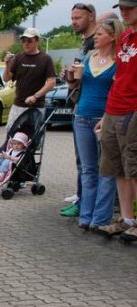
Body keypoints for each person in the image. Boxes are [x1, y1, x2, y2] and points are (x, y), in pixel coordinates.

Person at [71, 19, 122, 230]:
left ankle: (100, 218)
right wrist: (72, 77)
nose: (96, 37)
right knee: (88, 169)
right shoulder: (88, 57)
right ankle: (86, 216)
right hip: (82, 116)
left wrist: (107, 116)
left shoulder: (119, 62)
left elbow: (117, 92)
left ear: (111, 37)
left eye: (100, 34)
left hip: (105, 119)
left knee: (106, 170)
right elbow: (74, 83)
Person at [94, 0, 137, 242]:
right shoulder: (125, 37)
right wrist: (106, 114)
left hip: (134, 109)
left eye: (130, 7)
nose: (124, 12)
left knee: (134, 166)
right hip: (113, 108)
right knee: (116, 166)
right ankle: (126, 219)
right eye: (122, 8)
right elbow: (120, 76)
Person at [62, 3, 98, 213]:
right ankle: (80, 198)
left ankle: (85, 202)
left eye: (78, 18)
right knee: (81, 160)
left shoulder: (97, 41)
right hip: (79, 106)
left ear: (91, 16)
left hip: (91, 109)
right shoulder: (84, 42)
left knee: (89, 162)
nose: (74, 22)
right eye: (73, 18)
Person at [2, 28, 57, 132]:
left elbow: (51, 82)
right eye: (24, 41)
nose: (26, 44)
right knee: (11, 136)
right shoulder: (18, 57)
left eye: (29, 41)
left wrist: (35, 96)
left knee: (32, 140)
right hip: (18, 105)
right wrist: (7, 65)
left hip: (36, 107)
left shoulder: (46, 59)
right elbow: (6, 78)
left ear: (37, 41)